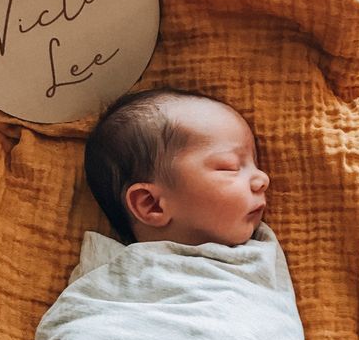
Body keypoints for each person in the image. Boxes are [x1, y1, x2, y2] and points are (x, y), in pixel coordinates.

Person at [84, 88, 270, 248]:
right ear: (152, 204)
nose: (263, 179)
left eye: (255, 163)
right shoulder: (116, 275)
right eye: (231, 167)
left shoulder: (262, 248)